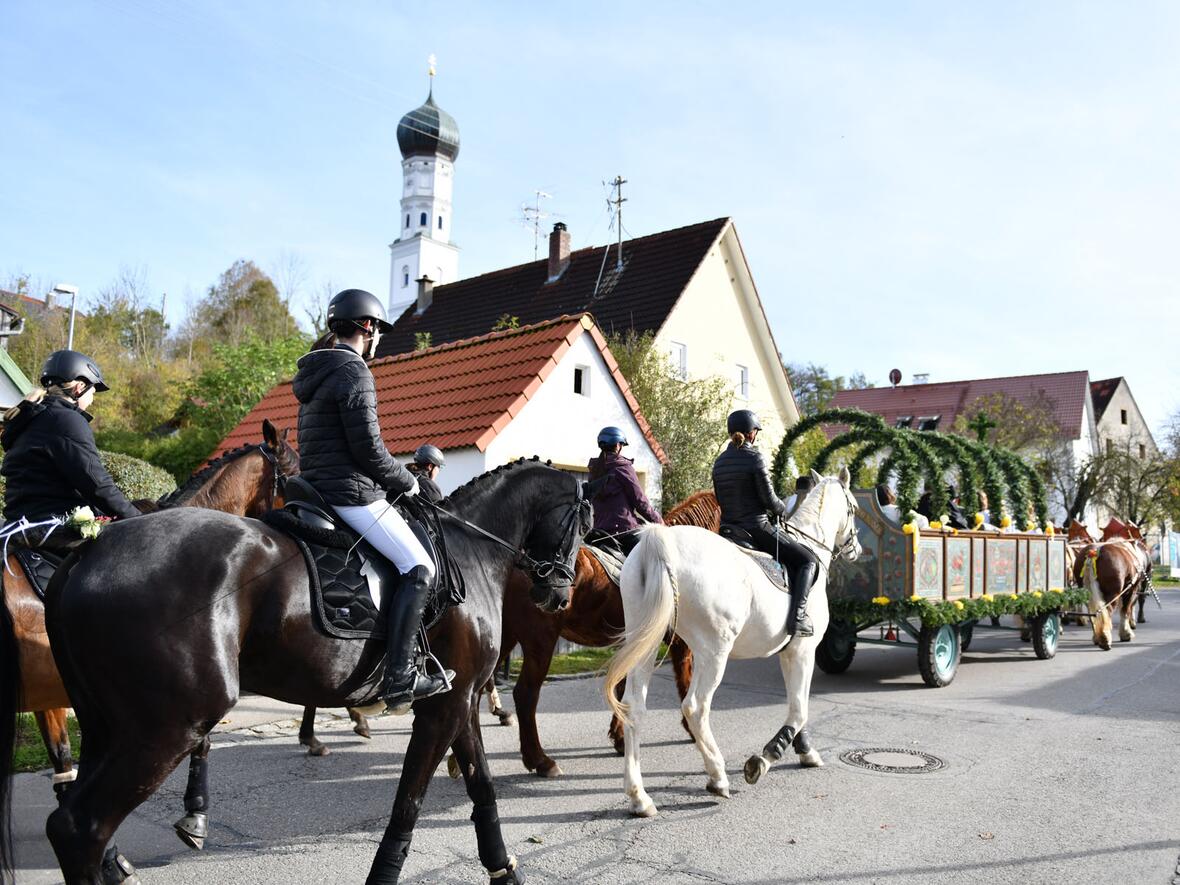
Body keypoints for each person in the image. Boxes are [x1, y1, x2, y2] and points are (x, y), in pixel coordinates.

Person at [292, 288, 451, 711]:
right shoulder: (353, 371)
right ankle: (400, 678)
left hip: (318, 490)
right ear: (367, 327)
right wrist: (407, 481)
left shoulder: (316, 372)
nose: (377, 336)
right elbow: (368, 450)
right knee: (420, 566)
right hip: (351, 494)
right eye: (377, 328)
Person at [1, 350, 140, 535]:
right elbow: (97, 484)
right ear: (79, 387)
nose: (92, 399)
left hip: (21, 523)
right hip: (53, 526)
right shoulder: (66, 421)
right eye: (92, 391)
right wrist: (140, 520)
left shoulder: (33, 417)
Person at [712, 409, 817, 637]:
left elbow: (720, 499)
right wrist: (782, 510)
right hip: (755, 528)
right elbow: (769, 500)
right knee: (808, 561)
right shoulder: (754, 458)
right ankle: (798, 618)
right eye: (756, 432)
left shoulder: (719, 462)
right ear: (751, 434)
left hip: (728, 529)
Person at [586, 426, 662, 556]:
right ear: (617, 445)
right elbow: (640, 501)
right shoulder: (622, 467)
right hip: (624, 532)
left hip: (599, 533)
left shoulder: (594, 470)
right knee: (658, 556)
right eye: (621, 444)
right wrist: (659, 521)